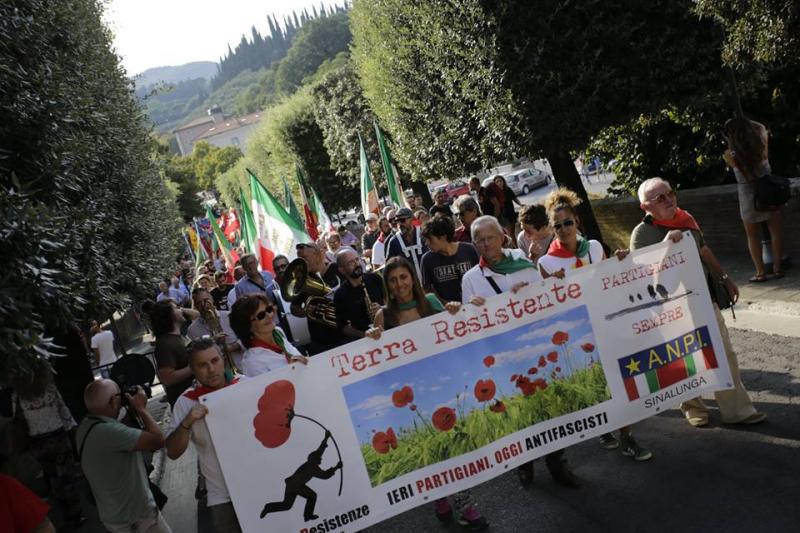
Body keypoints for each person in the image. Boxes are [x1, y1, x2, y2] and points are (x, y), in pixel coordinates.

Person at [631, 177, 767, 427]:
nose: (669, 199)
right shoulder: (641, 234)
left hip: (703, 298)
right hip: (671, 309)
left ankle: (737, 410)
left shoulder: (686, 219)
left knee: (724, 353)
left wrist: (724, 277)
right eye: (660, 197)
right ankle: (693, 408)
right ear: (645, 207)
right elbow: (643, 277)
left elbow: (703, 250)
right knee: (683, 360)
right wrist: (665, 246)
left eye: (670, 192)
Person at [366, 257, 488, 530]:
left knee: (450, 449)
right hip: (409, 396)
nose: (400, 284)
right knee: (429, 448)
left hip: (440, 387)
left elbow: (453, 328)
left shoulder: (430, 303)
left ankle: (464, 503)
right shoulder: (383, 316)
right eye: (393, 280)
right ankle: (439, 496)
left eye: (404, 277)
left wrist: (459, 309)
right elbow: (376, 358)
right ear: (387, 284)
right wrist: (371, 337)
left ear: (413, 278)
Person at [461, 216, 581, 487]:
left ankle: (556, 460)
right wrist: (472, 308)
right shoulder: (471, 280)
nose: (485, 243)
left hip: (535, 350)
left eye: (490, 237)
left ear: (502, 236)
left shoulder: (525, 265)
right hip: (502, 358)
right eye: (479, 239)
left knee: (547, 408)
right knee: (515, 414)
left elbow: (546, 301)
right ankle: (524, 464)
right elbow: (468, 325)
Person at [540, 189, 651, 460]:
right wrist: (553, 285)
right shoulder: (546, 262)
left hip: (605, 323)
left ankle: (627, 437)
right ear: (551, 229)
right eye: (557, 226)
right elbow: (549, 307)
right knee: (597, 384)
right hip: (577, 333)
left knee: (619, 381)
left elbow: (608, 280)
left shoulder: (595, 248)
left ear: (576, 220)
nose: (564, 229)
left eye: (567, 223)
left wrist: (620, 263)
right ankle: (604, 427)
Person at [165, 338, 243, 532]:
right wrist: (187, 421)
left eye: (215, 361)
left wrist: (297, 369)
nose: (211, 369)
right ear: (192, 368)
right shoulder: (185, 403)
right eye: (202, 365)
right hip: (222, 497)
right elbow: (173, 452)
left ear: (223, 359)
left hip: (259, 484)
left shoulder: (246, 385)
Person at [78, 380, 170, 532]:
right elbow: (159, 440)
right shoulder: (110, 432)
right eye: (120, 396)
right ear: (114, 401)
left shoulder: (85, 427)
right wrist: (141, 409)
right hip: (138, 518)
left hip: (113, 518)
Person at [11, 359, 84, 528]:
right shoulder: (50, 389)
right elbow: (63, 410)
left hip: (38, 443)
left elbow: (17, 417)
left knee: (51, 478)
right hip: (59, 438)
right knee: (67, 476)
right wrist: (73, 429)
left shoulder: (19, 394)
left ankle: (62, 513)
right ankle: (75, 514)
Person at [722, 117, 784, 282]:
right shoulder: (761, 146)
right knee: (776, 233)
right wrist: (746, 122)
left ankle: (760, 272)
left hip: (747, 195)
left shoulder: (729, 155)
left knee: (752, 236)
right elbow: (762, 126)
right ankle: (777, 269)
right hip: (768, 190)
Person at [259, 431, 342, 522]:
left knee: (287, 505)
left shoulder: (311, 462)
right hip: (297, 485)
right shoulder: (312, 467)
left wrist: (326, 438)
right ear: (315, 460)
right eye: (319, 459)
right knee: (312, 496)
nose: (321, 459)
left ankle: (268, 508)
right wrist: (336, 468)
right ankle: (307, 515)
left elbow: (319, 451)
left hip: (292, 484)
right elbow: (324, 475)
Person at [230, 294, 306, 376]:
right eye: (261, 316)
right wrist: (291, 370)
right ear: (247, 326)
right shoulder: (252, 363)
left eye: (269, 310)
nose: (269, 316)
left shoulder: (278, 333)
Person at [146, 299, 199, 407]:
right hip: (185, 402)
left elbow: (197, 314)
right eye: (176, 308)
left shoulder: (177, 336)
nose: (181, 310)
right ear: (170, 315)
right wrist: (193, 367)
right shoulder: (165, 344)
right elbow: (167, 378)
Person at [420, 216, 479, 302]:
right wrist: (443, 305)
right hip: (448, 312)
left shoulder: (469, 250)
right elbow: (427, 290)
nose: (426, 243)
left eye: (430, 239)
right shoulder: (427, 260)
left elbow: (481, 275)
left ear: (443, 237)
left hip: (476, 305)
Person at [334, 248, 385, 340]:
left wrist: (382, 309)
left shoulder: (375, 279)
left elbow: (392, 301)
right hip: (364, 340)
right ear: (342, 270)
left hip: (387, 329)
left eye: (357, 260)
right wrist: (365, 334)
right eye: (351, 263)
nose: (357, 264)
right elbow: (343, 327)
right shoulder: (340, 294)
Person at [187, 287, 244, 371]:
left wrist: (232, 347)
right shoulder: (192, 330)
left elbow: (247, 337)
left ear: (212, 299)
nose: (204, 305)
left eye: (206, 300)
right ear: (195, 306)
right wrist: (212, 341)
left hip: (241, 365)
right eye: (199, 303)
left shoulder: (229, 316)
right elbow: (197, 355)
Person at [385, 207, 429, 280]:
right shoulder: (394, 241)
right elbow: (390, 266)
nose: (400, 224)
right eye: (397, 221)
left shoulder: (423, 234)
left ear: (412, 219)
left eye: (402, 220)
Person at [493, 175, 523, 245]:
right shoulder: (494, 193)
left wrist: (520, 204)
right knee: (509, 233)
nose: (499, 183)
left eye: (500, 181)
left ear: (503, 181)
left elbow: (514, 198)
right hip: (503, 216)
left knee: (512, 233)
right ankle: (514, 247)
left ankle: (516, 247)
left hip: (511, 213)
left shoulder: (508, 190)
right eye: (497, 182)